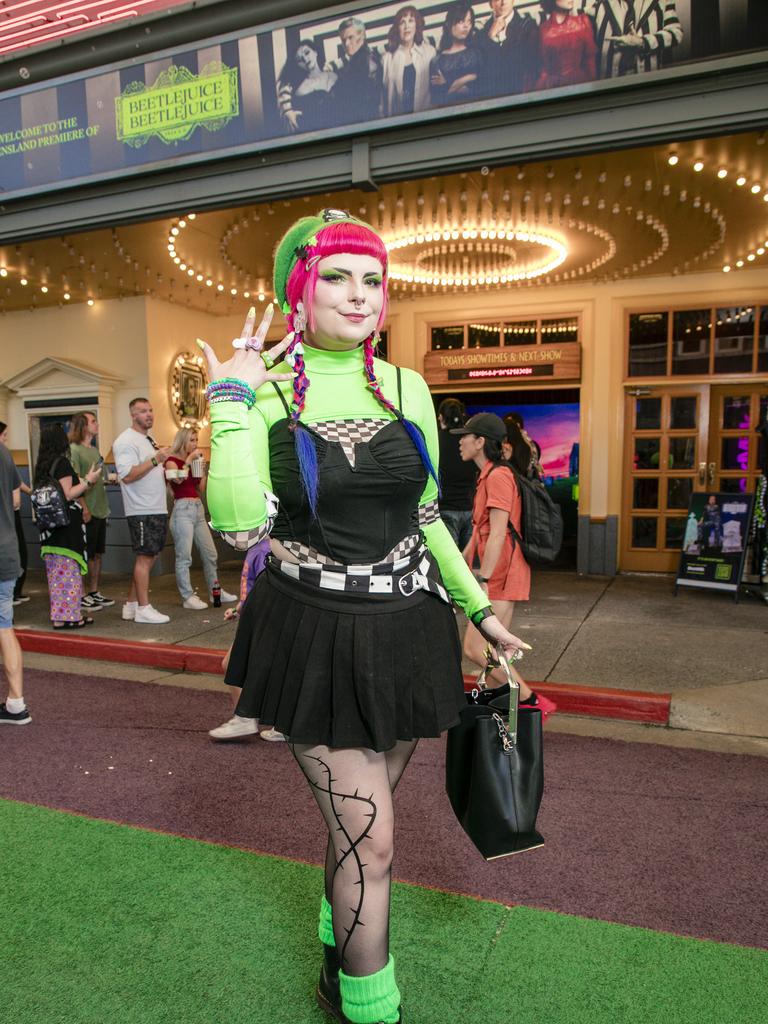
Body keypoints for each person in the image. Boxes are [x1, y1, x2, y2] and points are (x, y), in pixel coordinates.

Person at [198, 209, 529, 1024]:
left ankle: (332, 947)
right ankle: (364, 1006)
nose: (359, 295)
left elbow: (425, 521)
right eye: (337, 277)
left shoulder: (409, 385)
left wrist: (479, 610)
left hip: (410, 630)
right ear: (296, 294)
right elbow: (239, 527)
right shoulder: (265, 390)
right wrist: (232, 399)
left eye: (373, 280)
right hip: (314, 635)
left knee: (356, 834)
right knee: (371, 841)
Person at [454, 412, 555, 715]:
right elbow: (478, 529)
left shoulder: (499, 476)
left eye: (465, 436)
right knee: (487, 651)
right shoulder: (487, 474)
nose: (460, 441)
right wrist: (460, 565)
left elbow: (498, 531)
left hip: (502, 574)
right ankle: (515, 705)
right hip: (495, 572)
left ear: (480, 441)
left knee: (477, 649)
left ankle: (530, 702)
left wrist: (482, 578)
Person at [208, 537, 286, 743]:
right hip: (258, 619)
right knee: (275, 672)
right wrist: (238, 609)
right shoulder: (261, 549)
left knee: (231, 664)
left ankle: (245, 717)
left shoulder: (262, 551)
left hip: (260, 622)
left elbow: (265, 589)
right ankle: (279, 723)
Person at [33, 424, 102, 630]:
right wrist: (88, 482)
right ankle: (71, 616)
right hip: (65, 526)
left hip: (49, 528)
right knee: (69, 572)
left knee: (56, 575)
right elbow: (68, 493)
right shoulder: (61, 462)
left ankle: (60, 616)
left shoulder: (42, 465)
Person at [112, 398, 172, 624]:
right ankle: (144, 609)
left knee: (149, 555)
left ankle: (131, 604)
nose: (149, 414)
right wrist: (156, 460)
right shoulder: (125, 441)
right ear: (132, 415)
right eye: (142, 411)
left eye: (150, 410)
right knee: (145, 557)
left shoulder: (148, 439)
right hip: (141, 509)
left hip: (155, 506)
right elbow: (127, 475)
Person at [166, 427, 237, 610]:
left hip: (197, 509)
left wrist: (203, 470)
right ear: (182, 441)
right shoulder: (171, 461)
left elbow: (201, 488)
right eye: (192, 440)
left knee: (210, 553)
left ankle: (216, 592)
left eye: (196, 440)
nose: (195, 444)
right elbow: (178, 481)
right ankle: (187, 596)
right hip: (182, 510)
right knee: (184, 557)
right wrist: (189, 461)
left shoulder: (193, 461)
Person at [68, 411, 115, 611]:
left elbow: (100, 477)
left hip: (100, 507)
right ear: (83, 426)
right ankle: (81, 592)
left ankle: (94, 590)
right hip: (86, 508)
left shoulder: (95, 451)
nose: (97, 425)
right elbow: (73, 481)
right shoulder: (74, 450)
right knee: (84, 553)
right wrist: (83, 507)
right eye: (93, 422)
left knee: (97, 553)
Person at [0, 433, 30, 724]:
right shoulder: (5, 452)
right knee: (4, 626)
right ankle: (15, 703)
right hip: (7, 551)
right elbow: (16, 500)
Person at [581, 0, 683, 79]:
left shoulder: (662, 2)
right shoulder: (600, 4)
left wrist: (642, 42)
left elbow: (676, 33)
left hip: (646, 82)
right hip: (610, 85)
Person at [476, 0, 540, 98]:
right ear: (490, 3)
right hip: (491, 99)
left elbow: (529, 66)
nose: (503, 2)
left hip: (520, 95)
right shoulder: (481, 35)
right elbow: (482, 73)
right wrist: (491, 36)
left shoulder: (528, 26)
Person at [381, 6, 436, 116]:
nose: (407, 26)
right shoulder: (386, 59)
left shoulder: (430, 52)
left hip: (426, 119)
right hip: (398, 123)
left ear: (417, 25)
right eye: (402, 22)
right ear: (397, 28)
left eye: (411, 21)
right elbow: (382, 98)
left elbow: (436, 90)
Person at [437, 398, 476, 551]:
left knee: (449, 564)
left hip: (445, 507)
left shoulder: (435, 439)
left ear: (440, 417)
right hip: (470, 508)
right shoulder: (471, 440)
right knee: (470, 566)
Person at [330, 17, 383, 125]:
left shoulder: (367, 61)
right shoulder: (355, 61)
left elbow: (367, 103)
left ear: (362, 36)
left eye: (350, 37)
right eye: (343, 40)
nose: (347, 43)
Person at [278, 40, 338, 133]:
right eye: (299, 59)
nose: (305, 60)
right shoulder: (298, 86)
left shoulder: (334, 74)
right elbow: (284, 94)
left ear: (315, 52)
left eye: (307, 53)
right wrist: (287, 111)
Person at [0, 422, 30, 606]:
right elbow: (16, 489)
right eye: (4, 435)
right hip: (6, 543)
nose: (6, 438)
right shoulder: (5, 454)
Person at [536, 0, 597, 90]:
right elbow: (542, 68)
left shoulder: (582, 23)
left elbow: (591, 64)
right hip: (554, 88)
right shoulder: (542, 31)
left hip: (580, 85)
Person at [430, 1, 481, 106]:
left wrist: (448, 83)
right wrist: (469, 77)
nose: (466, 26)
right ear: (449, 24)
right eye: (461, 21)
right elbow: (439, 99)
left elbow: (480, 91)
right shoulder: (437, 61)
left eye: (469, 21)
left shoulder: (476, 54)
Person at [504, 411, 543, 480]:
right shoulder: (533, 445)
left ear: (518, 425)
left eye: (509, 424)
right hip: (532, 485)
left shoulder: (517, 446)